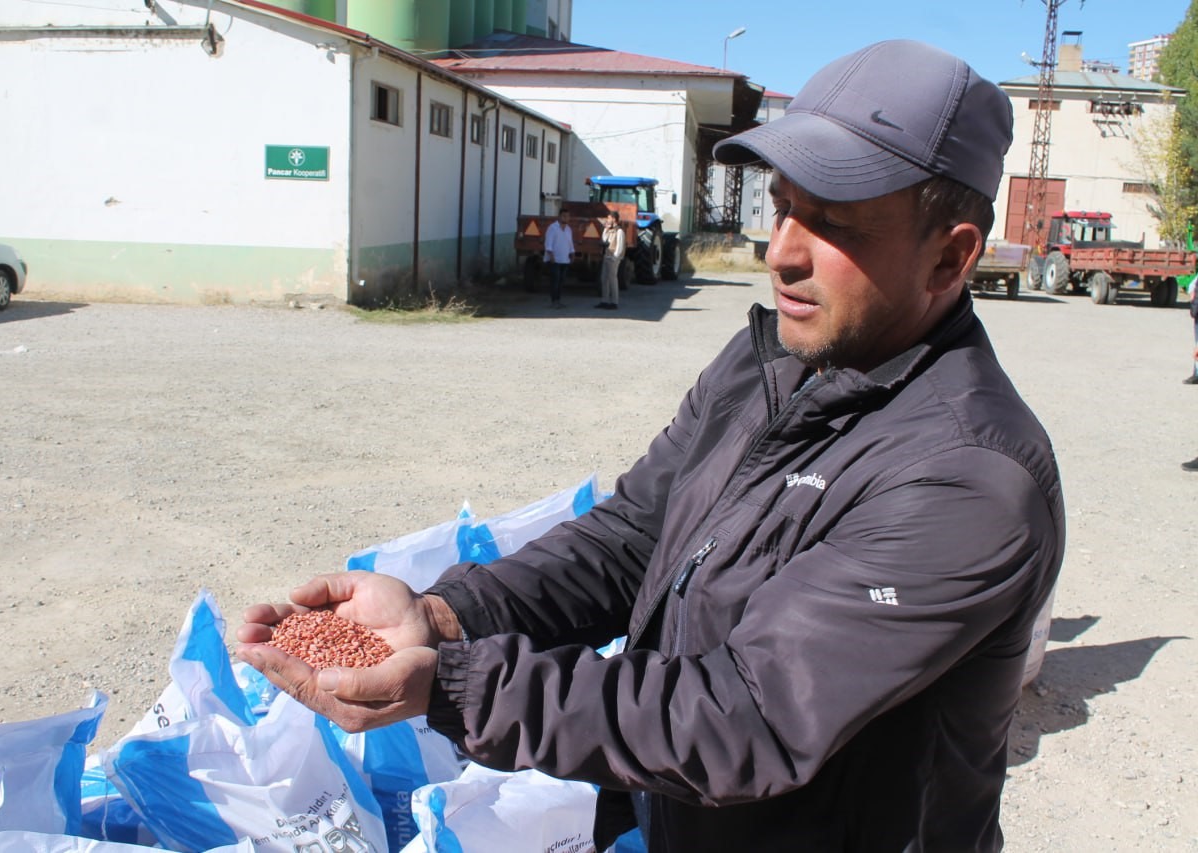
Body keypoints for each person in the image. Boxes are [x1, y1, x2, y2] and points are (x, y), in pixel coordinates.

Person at [238, 40, 1065, 852]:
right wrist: (444, 615)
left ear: (951, 258)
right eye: (782, 207)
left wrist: (455, 684)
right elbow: (630, 537)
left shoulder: (968, 478)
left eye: (833, 223)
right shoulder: (769, 363)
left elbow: (749, 714)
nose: (780, 252)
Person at [544, 207, 575, 308]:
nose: (566, 218)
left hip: (565, 259)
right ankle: (554, 301)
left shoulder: (568, 229)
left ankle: (558, 300)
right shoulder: (552, 228)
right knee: (555, 281)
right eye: (564, 216)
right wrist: (551, 256)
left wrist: (572, 254)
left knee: (561, 282)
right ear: (559, 216)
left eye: (568, 216)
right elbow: (548, 244)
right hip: (555, 260)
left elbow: (570, 244)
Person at [596, 211, 625, 310]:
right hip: (606, 256)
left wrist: (615, 257)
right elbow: (604, 240)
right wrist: (605, 230)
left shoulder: (619, 231)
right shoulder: (609, 230)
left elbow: (620, 246)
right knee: (604, 278)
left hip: (613, 259)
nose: (607, 220)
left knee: (612, 279)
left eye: (609, 218)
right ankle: (604, 300)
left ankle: (614, 302)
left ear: (614, 219)